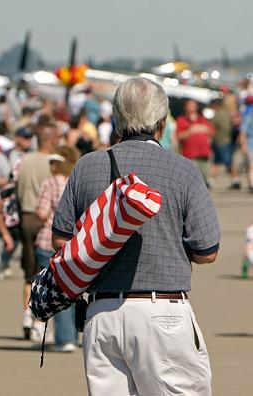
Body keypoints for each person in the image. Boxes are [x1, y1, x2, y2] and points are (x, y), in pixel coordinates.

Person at [52, 77, 219, 395]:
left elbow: (61, 240)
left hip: (101, 314)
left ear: (116, 118)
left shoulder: (87, 167)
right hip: (163, 310)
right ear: (161, 123)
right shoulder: (182, 170)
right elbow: (207, 251)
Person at [34, 146, 79, 352]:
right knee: (73, 290)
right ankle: (74, 335)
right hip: (75, 243)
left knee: (57, 291)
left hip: (49, 240)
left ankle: (64, 337)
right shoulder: (76, 182)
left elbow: (42, 213)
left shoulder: (49, 184)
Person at [16, 123, 59, 340]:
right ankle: (38, 319)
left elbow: (16, 186)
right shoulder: (54, 164)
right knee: (44, 272)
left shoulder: (25, 160)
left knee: (28, 270)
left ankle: (27, 312)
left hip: (26, 215)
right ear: (52, 141)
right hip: (44, 219)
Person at [176, 99, 215, 186]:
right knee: (193, 180)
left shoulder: (202, 119)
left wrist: (203, 129)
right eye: (189, 106)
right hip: (190, 155)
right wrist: (191, 130)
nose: (191, 108)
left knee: (205, 177)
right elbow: (179, 136)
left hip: (204, 154)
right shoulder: (181, 120)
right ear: (185, 107)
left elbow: (211, 132)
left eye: (193, 106)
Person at [209, 98, 240, 189]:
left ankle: (236, 180)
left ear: (215, 105)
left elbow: (212, 129)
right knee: (219, 162)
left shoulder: (218, 115)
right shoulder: (226, 114)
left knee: (226, 162)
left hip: (221, 142)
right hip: (227, 141)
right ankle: (210, 181)